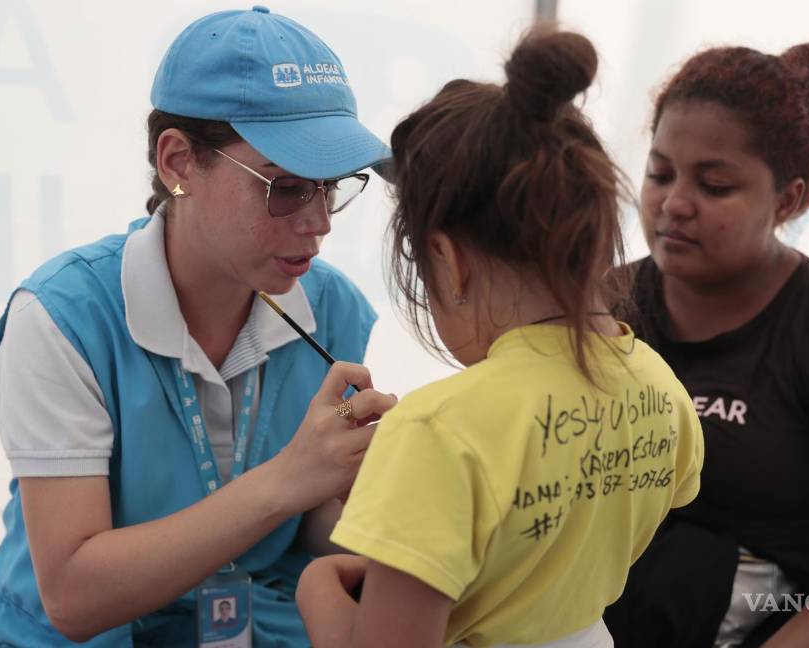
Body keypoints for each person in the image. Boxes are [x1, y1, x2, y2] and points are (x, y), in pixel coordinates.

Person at [0, 7, 398, 647]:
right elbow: (72, 596)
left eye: (332, 186)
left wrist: (387, 509)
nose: (319, 221)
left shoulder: (333, 306)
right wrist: (286, 479)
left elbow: (309, 520)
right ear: (177, 162)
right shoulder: (62, 319)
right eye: (285, 186)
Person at [294, 29, 705, 648]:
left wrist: (319, 588)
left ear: (448, 259)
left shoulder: (436, 431)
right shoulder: (661, 388)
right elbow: (549, 547)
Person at [602, 42, 809, 647]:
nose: (674, 204)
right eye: (660, 174)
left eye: (714, 185)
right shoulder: (603, 307)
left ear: (789, 199)